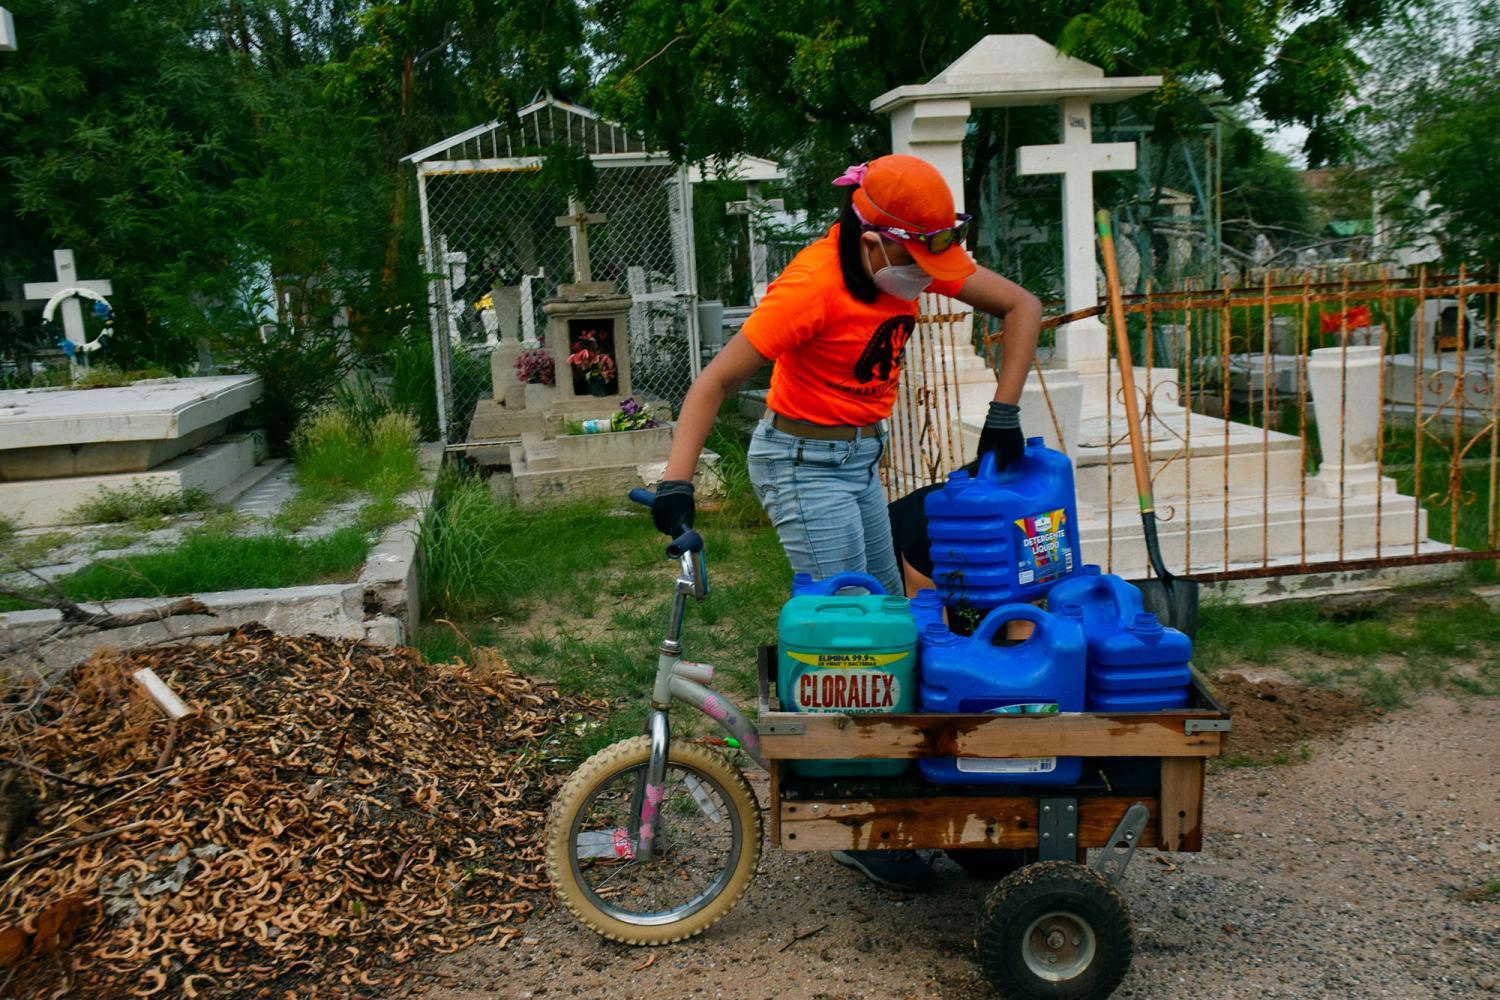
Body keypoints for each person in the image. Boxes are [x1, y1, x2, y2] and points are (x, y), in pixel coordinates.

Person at [650, 154, 1042, 891]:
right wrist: (677, 482)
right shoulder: (811, 288)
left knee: (892, 621)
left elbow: (1022, 307)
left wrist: (1005, 411)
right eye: (919, 260)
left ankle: (909, 787)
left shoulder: (916, 253)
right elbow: (715, 380)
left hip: (860, 460)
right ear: (873, 242)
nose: (932, 275)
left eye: (937, 256)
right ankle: (858, 822)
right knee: (851, 642)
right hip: (801, 466)